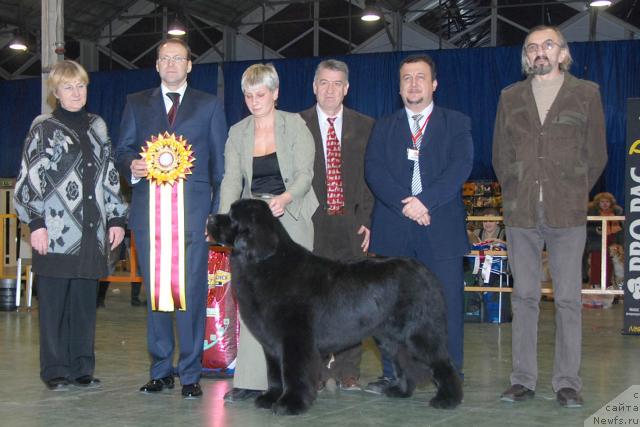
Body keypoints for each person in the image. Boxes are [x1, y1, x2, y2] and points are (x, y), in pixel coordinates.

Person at [493, 25, 607, 408]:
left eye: (547, 45)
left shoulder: (586, 94)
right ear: (526, 57)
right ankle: (522, 379)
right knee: (523, 297)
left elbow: (596, 155)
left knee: (569, 301)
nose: (539, 52)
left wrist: (573, 191)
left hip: (567, 213)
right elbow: (500, 156)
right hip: (521, 213)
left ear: (562, 53)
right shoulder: (510, 97)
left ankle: (567, 383)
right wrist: (516, 190)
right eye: (532, 47)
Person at [115, 37, 227, 399]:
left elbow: (220, 167)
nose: (171, 64)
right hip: (150, 217)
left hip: (194, 219)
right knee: (156, 295)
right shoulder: (136, 103)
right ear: (157, 65)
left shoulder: (209, 106)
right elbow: (123, 149)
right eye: (165, 58)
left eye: (178, 59)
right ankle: (161, 370)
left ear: (189, 65)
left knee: (191, 295)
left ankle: (191, 373)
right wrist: (131, 164)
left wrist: (216, 216)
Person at [13, 60, 128, 391]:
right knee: (53, 306)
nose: (76, 93)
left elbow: (109, 176)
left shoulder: (98, 126)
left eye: (81, 86)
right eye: (68, 87)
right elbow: (28, 180)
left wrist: (117, 216)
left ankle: (82, 368)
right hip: (55, 233)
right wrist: (36, 223)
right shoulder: (44, 128)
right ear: (56, 93)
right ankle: (55, 370)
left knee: (83, 304)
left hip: (92, 234)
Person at [364, 54, 473, 394]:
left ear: (434, 84)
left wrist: (425, 202)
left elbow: (460, 166)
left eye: (420, 77)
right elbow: (374, 171)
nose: (413, 84)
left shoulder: (457, 122)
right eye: (407, 78)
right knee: (390, 310)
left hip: (440, 227)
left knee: (447, 306)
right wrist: (407, 206)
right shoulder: (383, 126)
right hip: (395, 229)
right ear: (399, 87)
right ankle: (394, 374)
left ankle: (449, 372)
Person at [219, 63, 318, 402]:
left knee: (291, 309)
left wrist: (286, 198)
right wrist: (225, 221)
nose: (253, 101)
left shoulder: (295, 125)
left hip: (290, 216)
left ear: (275, 94)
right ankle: (249, 379)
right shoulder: (238, 131)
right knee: (253, 302)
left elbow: (306, 174)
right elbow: (232, 179)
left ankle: (295, 382)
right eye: (248, 95)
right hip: (253, 226)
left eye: (260, 94)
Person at [300, 59, 375, 392]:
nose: (330, 90)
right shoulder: (295, 125)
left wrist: (367, 221)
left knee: (352, 302)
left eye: (337, 83)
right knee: (311, 302)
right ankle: (314, 370)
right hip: (310, 227)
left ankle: (348, 370)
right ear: (314, 86)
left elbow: (372, 180)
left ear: (346, 88)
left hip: (351, 226)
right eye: (324, 83)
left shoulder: (366, 126)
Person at [586, 192, 623, 287]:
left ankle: (609, 285)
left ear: (611, 203)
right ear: (597, 203)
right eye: (602, 202)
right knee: (596, 264)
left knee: (611, 266)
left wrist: (619, 243)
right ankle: (595, 284)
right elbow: (586, 229)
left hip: (612, 243)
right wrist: (596, 230)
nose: (605, 204)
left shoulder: (616, 213)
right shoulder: (591, 213)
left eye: (607, 201)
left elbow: (621, 229)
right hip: (597, 243)